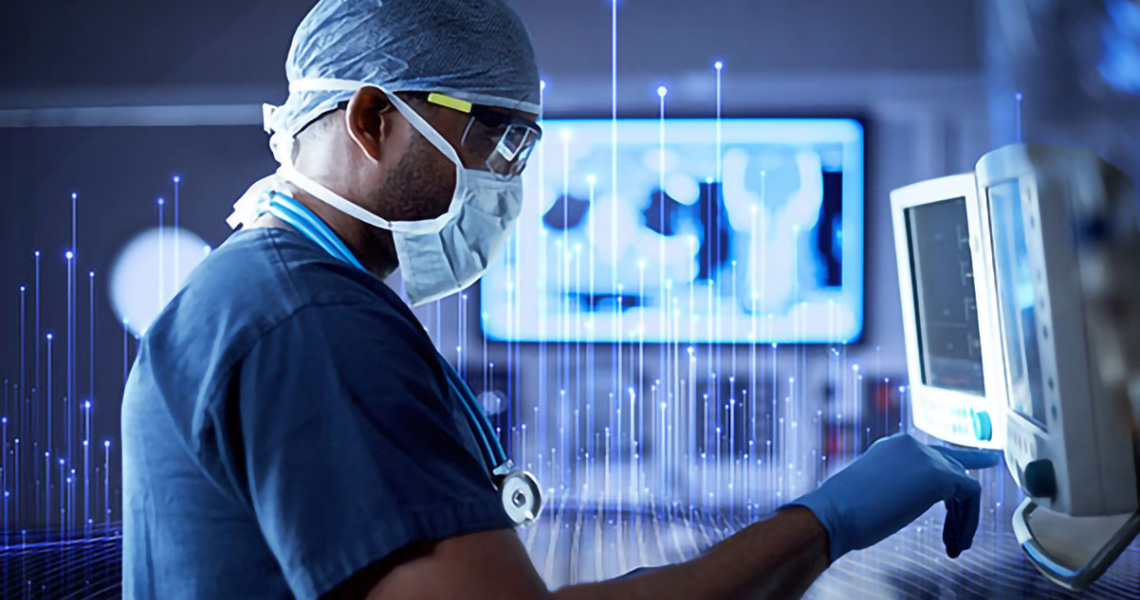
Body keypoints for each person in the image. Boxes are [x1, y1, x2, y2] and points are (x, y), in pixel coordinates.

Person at [120, 0, 1000, 598]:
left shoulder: (259, 291)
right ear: (371, 119)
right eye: (499, 139)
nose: (514, 181)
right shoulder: (311, 322)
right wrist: (831, 519)